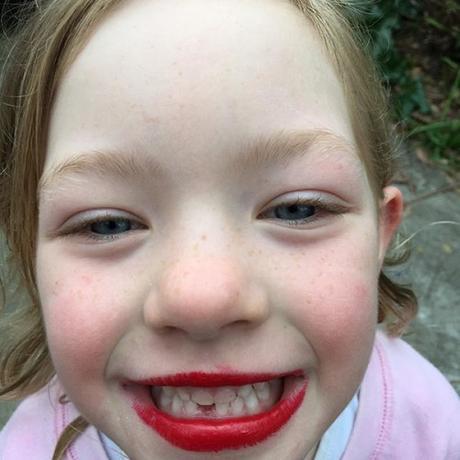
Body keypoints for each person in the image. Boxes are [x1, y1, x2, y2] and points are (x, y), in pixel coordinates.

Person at [0, 0, 459, 458]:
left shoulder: (431, 427)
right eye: (108, 224)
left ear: (380, 232)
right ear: (31, 253)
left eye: (297, 210)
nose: (202, 299)